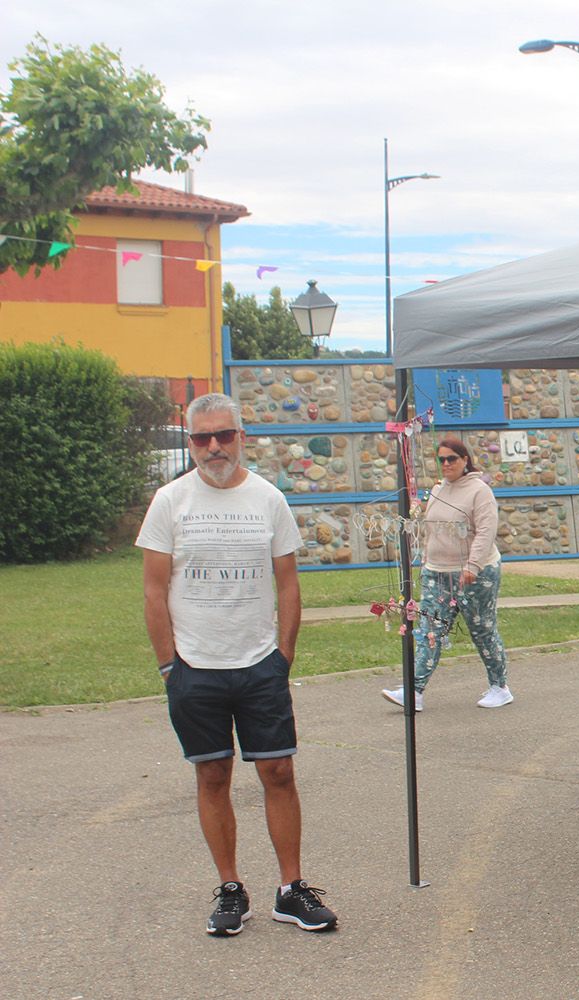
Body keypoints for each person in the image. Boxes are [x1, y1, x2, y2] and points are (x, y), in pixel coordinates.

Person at [137, 392, 338, 937]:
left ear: (240, 437)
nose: (213, 447)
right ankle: (230, 887)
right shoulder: (170, 501)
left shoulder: (268, 499)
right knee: (213, 774)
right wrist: (168, 668)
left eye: (223, 435)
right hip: (194, 667)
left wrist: (283, 656)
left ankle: (291, 890)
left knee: (278, 772)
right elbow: (155, 593)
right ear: (191, 442)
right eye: (201, 438)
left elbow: (289, 583)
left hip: (258, 665)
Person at [381, 436, 513, 712]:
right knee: (430, 631)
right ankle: (414, 691)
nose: (446, 464)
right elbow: (433, 529)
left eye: (451, 458)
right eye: (441, 459)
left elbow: (486, 531)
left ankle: (499, 687)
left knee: (482, 629)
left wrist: (473, 566)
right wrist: (426, 562)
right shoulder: (439, 490)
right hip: (437, 573)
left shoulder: (479, 491)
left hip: (475, 573)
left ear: (465, 460)